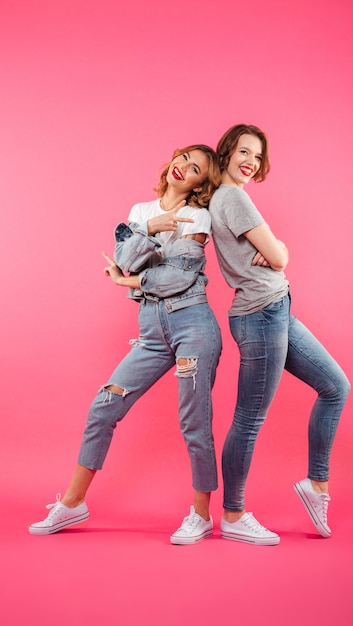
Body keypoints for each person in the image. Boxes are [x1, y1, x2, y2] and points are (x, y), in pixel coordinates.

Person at [29, 144, 222, 545]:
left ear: (202, 183)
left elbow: (179, 275)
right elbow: (126, 254)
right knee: (104, 406)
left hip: (193, 326)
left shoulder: (197, 216)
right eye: (183, 158)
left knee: (194, 421)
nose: (184, 167)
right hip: (152, 332)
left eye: (196, 168)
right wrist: (149, 233)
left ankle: (200, 515)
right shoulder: (139, 213)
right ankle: (73, 502)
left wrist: (127, 280)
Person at [209, 124, 350, 545]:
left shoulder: (231, 198)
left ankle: (316, 484)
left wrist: (276, 250)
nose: (251, 162)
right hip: (261, 315)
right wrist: (278, 249)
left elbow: (276, 255)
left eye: (257, 155)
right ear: (227, 153)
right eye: (243, 152)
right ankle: (233, 514)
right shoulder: (232, 197)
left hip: (275, 310)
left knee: (335, 387)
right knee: (249, 420)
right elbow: (279, 255)